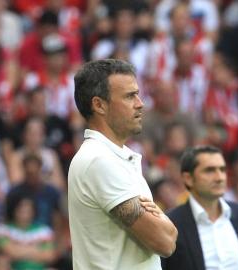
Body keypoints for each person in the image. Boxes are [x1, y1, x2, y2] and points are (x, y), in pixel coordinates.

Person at [68, 59, 178, 269]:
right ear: (99, 105)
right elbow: (165, 242)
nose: (140, 103)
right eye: (129, 96)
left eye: (137, 94)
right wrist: (164, 221)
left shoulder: (114, 156)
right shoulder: (99, 161)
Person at [161, 145, 238, 270]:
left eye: (222, 170)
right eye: (209, 170)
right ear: (188, 178)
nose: (219, 177)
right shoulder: (171, 222)